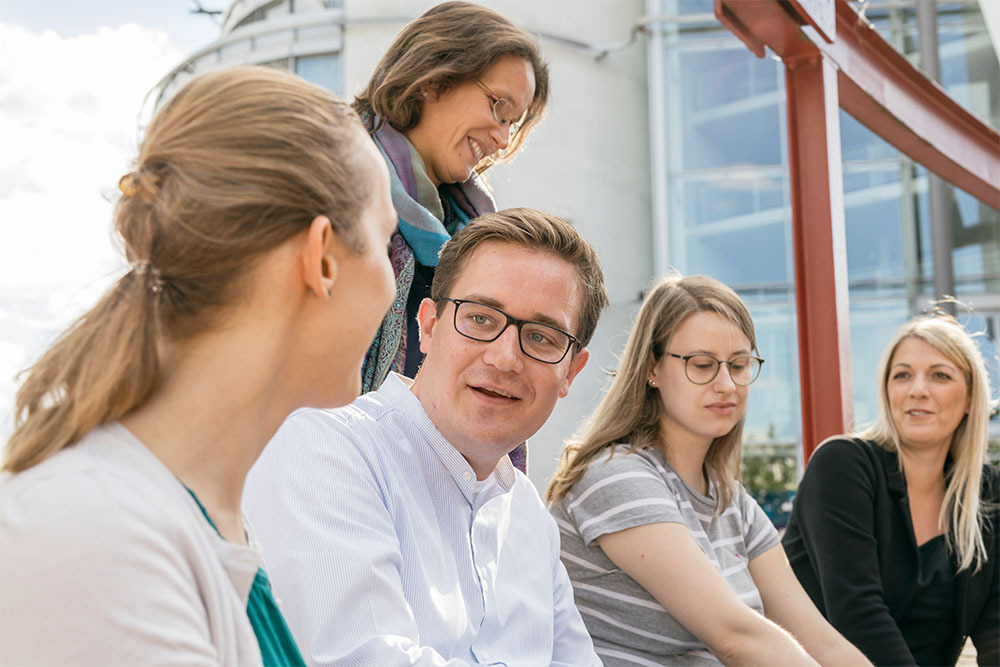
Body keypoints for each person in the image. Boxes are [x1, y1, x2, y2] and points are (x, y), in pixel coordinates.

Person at [0, 66, 398, 666]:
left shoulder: (193, 522)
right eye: (388, 241)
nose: (397, 288)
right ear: (322, 259)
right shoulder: (99, 536)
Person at [243, 208, 608, 666]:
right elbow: (359, 660)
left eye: (541, 337)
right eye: (480, 319)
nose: (504, 358)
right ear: (428, 325)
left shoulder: (528, 515)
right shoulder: (325, 447)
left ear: (571, 371)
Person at [546, 274, 871, 666]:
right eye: (702, 365)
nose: (726, 385)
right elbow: (735, 637)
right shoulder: (616, 477)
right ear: (652, 368)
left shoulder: (734, 504)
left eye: (739, 365)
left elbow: (823, 643)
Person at [353, 1, 550, 407]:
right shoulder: (337, 181)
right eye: (500, 108)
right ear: (433, 78)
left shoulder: (472, 231)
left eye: (513, 125)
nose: (502, 139)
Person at [782, 312, 999, 666]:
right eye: (902, 375)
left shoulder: (987, 492)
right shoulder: (842, 465)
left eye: (940, 376)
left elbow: (996, 628)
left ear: (972, 399)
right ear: (887, 390)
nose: (917, 390)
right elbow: (857, 614)